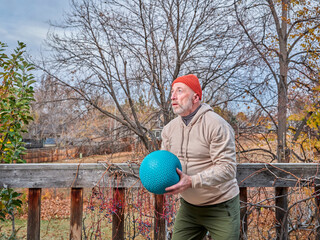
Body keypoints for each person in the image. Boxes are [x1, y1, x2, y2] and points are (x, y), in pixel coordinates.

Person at [161, 74, 240, 240]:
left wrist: (192, 181)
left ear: (195, 97)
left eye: (180, 91)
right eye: (172, 91)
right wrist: (157, 178)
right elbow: (164, 164)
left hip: (220, 206)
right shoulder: (169, 129)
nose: (173, 96)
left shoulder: (216, 125)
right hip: (189, 207)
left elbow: (228, 168)